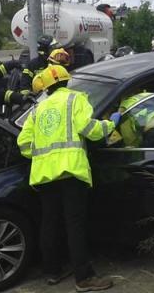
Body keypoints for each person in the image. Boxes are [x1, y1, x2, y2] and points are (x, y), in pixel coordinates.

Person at [17, 64, 118, 292]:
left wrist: (44, 153)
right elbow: (89, 128)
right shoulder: (76, 99)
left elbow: (23, 144)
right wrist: (111, 124)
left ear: (47, 87)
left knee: (49, 222)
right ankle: (84, 278)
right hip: (71, 171)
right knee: (75, 224)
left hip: (43, 174)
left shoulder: (38, 109)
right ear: (67, 80)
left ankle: (52, 272)